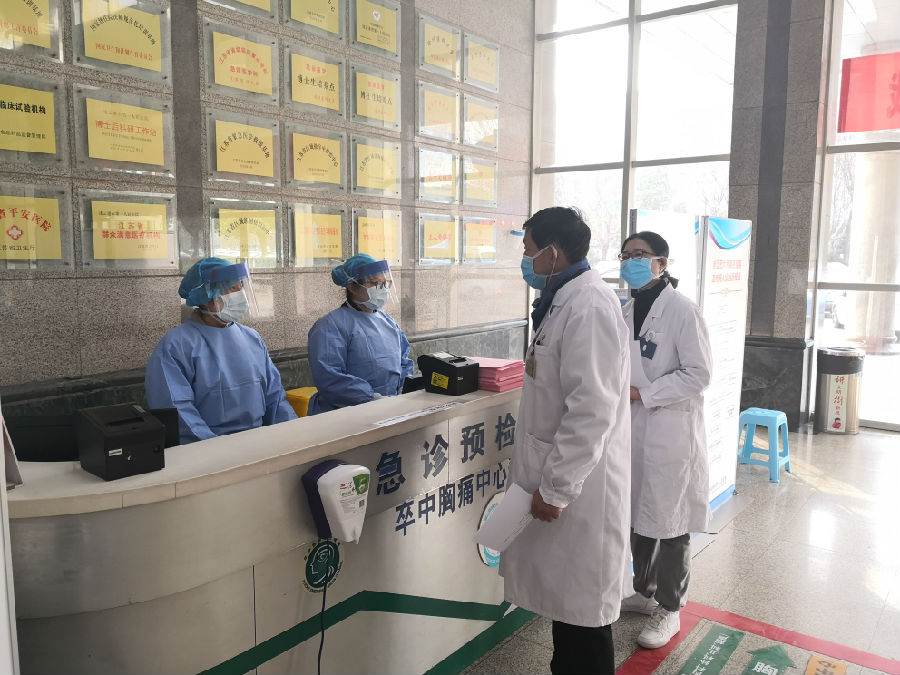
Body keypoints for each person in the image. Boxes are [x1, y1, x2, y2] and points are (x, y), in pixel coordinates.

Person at [499, 207, 631, 675]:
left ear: (553, 254)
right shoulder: (564, 299)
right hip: (562, 479)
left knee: (583, 617)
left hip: (580, 489)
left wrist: (556, 489)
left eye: (529, 251)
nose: (526, 260)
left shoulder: (589, 305)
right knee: (568, 611)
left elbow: (591, 410)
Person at [618, 231, 713, 650]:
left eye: (640, 255)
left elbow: (699, 373)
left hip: (671, 430)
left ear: (663, 262)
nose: (631, 262)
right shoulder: (625, 310)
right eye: (625, 255)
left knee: (672, 524)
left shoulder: (682, 310)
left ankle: (670, 607)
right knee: (638, 514)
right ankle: (644, 590)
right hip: (633, 428)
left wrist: (645, 394)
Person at [145, 257, 296, 444]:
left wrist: (291, 434)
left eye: (240, 286)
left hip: (258, 444)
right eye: (231, 288)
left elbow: (275, 397)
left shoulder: (252, 338)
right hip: (206, 450)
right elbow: (178, 410)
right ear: (206, 297)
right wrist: (216, 449)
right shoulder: (176, 345)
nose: (240, 293)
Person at [306, 254, 414, 415]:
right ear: (352, 287)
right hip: (343, 415)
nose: (382, 288)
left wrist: (403, 390)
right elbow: (329, 377)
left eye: (385, 283)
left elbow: (403, 361)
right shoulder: (330, 326)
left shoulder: (388, 322)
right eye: (375, 283)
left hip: (387, 410)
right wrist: (371, 398)